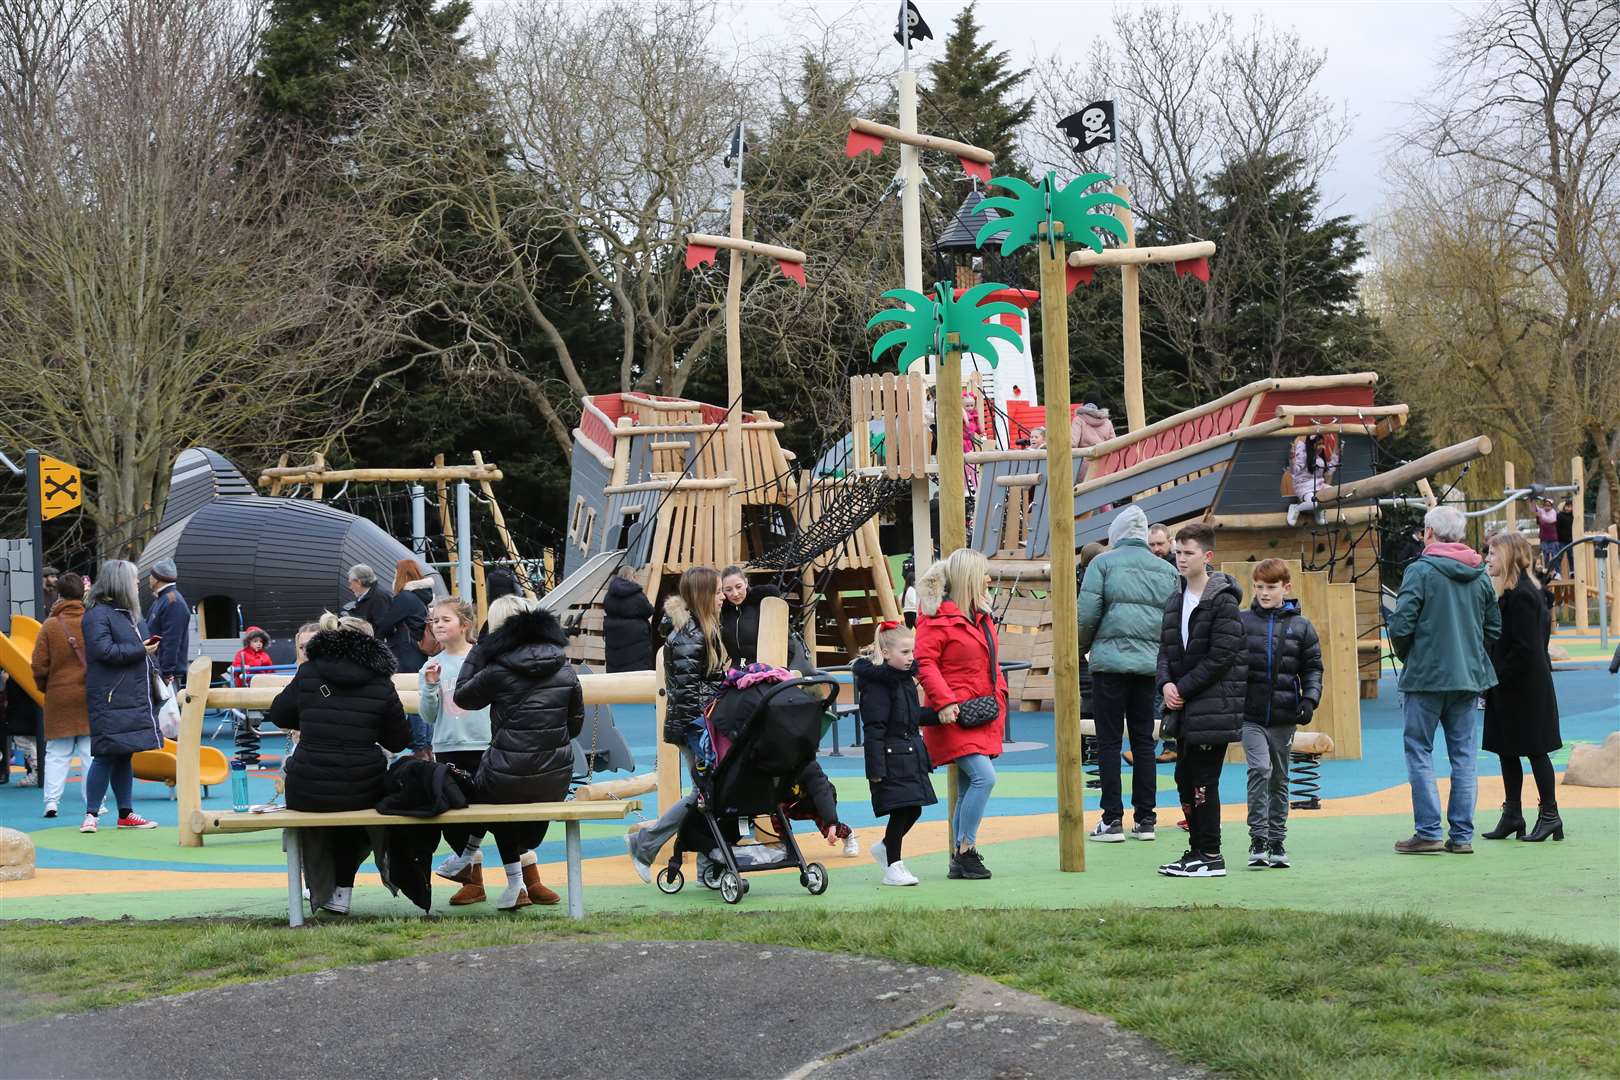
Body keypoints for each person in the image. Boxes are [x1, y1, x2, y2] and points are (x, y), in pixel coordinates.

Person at [266, 611, 412, 914]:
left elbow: (279, 714)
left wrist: (313, 715)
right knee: (358, 819)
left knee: (318, 816)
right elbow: (398, 741)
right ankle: (342, 890)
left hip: (308, 785)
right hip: (362, 784)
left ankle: (318, 889)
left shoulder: (309, 673)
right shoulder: (380, 682)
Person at [448, 596, 583, 912]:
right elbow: (574, 726)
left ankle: (468, 856)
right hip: (555, 779)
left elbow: (463, 697)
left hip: (504, 780)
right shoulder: (564, 668)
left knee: (481, 790)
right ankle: (514, 883)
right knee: (499, 790)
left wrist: (480, 648)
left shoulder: (497, 668)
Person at [1386, 505, 1500, 855]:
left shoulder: (1419, 571)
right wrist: (1471, 655)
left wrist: (1412, 657)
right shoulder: (1479, 574)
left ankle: (1429, 830)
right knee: (1464, 756)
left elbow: (1401, 625)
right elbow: (1493, 627)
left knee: (1419, 751)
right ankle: (1462, 835)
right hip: (1467, 678)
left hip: (1425, 678)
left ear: (1428, 533)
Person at [1078, 505, 1179, 843]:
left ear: (1116, 534)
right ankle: (1146, 819)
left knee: (1107, 741)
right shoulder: (1165, 571)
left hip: (1110, 663)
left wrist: (1080, 648)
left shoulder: (1102, 563)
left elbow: (1087, 614)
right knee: (1144, 741)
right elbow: (1172, 622)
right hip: (1149, 665)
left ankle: (1111, 819)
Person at [1155, 523, 1246, 878]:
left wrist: (1183, 688)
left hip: (1212, 705)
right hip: (1185, 703)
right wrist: (1165, 684)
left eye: (1187, 553)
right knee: (1184, 776)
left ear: (1207, 557)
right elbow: (1166, 648)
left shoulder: (1221, 600)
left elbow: (1222, 655)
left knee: (1203, 780)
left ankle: (1210, 853)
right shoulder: (1176, 598)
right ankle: (1196, 849)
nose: (1180, 558)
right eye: (1177, 552)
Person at [625, 567, 728, 881]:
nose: (723, 597)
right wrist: (724, 689)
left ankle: (707, 864)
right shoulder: (689, 637)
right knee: (707, 794)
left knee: (711, 794)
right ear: (703, 596)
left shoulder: (702, 630)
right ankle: (646, 842)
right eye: (719, 591)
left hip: (700, 723)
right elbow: (686, 693)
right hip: (695, 726)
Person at [915, 548, 1005, 881]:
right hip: (954, 713)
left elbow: (990, 664)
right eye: (984, 573)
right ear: (969, 577)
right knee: (985, 778)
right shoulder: (937, 617)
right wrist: (943, 701)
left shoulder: (979, 616)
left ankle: (960, 858)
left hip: (979, 711)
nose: (989, 579)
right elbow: (925, 663)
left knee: (971, 785)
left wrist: (999, 695)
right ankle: (965, 850)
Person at [1237, 560, 1322, 869]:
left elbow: (1313, 668)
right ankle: (1257, 837)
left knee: (1280, 777)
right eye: (1259, 587)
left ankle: (1277, 840)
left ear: (1286, 588)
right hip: (1250, 715)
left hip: (1285, 715)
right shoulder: (1243, 622)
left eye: (1271, 587)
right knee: (1260, 768)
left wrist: (1310, 699)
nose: (1264, 593)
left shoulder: (1301, 627)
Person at [1481, 532, 1564, 843]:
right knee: (1507, 748)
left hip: (1525, 687)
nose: (1487, 558)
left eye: (1492, 553)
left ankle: (1550, 814)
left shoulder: (1524, 596)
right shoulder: (1510, 594)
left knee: (1535, 750)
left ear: (1509, 557)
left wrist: (1495, 675)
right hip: (1509, 684)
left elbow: (1526, 649)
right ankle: (1513, 813)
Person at [80, 560, 163, 833]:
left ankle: (124, 813)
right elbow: (104, 652)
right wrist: (141, 650)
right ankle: (91, 813)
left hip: (128, 694)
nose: (136, 584)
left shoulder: (129, 614)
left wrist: (147, 651)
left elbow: (127, 649)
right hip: (110, 696)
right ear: (119, 583)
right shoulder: (97, 615)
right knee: (105, 753)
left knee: (124, 753)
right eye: (132, 579)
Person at [855, 621, 938, 886]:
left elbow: (910, 717)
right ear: (886, 653)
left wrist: (940, 714)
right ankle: (893, 865)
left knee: (914, 809)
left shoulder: (903, 681)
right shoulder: (878, 685)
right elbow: (874, 728)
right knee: (900, 811)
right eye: (904, 652)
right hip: (891, 759)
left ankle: (884, 848)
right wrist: (876, 769)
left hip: (909, 754)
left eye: (911, 651)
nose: (910, 657)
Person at [30, 573, 102, 819]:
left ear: (58, 594)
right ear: (83, 593)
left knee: (56, 754)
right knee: (90, 754)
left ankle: (51, 802)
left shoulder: (50, 625)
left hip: (59, 696)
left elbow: (38, 665)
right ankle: (95, 803)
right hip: (89, 695)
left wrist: (46, 687)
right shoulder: (92, 621)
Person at [374, 559, 433, 674]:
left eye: (395, 574)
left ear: (400, 576)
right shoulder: (420, 597)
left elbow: (385, 625)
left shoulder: (404, 597)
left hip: (404, 653)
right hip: (417, 652)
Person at [720, 565, 780, 668]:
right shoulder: (722, 612)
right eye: (728, 590)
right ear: (723, 591)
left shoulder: (761, 605)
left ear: (746, 583)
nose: (735, 593)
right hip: (736, 671)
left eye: (739, 587)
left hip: (765, 669)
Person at [144, 559, 189, 687]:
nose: (149, 578)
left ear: (157, 578)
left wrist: (166, 672)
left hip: (166, 676)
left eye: (151, 575)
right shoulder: (163, 600)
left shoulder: (172, 602)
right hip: (159, 670)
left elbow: (171, 641)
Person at [602, 566, 656, 673]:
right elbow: (649, 610)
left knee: (617, 675)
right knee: (637, 677)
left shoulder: (609, 595)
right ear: (633, 576)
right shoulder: (637, 595)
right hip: (635, 639)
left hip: (614, 637)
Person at [1289, 434, 1339, 507]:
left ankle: (1319, 513)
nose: (1321, 447)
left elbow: (1329, 470)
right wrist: (1292, 459)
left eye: (1322, 444)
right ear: (1312, 445)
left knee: (1335, 493)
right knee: (1313, 504)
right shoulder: (1304, 456)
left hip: (1319, 485)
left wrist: (1336, 455)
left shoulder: (1320, 459)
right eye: (1319, 444)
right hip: (1305, 487)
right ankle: (1295, 508)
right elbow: (1294, 471)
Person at [344, 563, 393, 631]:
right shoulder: (366, 593)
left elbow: (382, 628)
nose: (350, 587)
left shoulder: (379, 597)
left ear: (359, 582)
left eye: (351, 583)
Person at [1533, 499, 1560, 578]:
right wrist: (1532, 500)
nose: (1547, 507)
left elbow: (1550, 520)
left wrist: (1540, 515)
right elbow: (1534, 509)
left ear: (1551, 506)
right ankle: (1546, 573)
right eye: (1545, 505)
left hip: (1553, 539)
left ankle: (1557, 573)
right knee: (1545, 557)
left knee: (1555, 556)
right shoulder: (1541, 512)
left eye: (1549, 505)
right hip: (1544, 539)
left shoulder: (1553, 513)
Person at [1555, 499, 1575, 579]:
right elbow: (1556, 527)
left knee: (1571, 557)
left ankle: (1572, 572)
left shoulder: (1574, 516)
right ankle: (1557, 573)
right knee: (1559, 556)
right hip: (1561, 540)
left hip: (1571, 540)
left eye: (1570, 507)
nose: (1567, 508)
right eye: (1566, 506)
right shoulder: (1560, 515)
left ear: (1573, 508)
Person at [900, 558, 919, 630]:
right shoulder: (911, 590)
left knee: (908, 629)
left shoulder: (906, 590)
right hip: (912, 612)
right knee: (918, 628)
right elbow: (913, 601)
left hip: (907, 612)